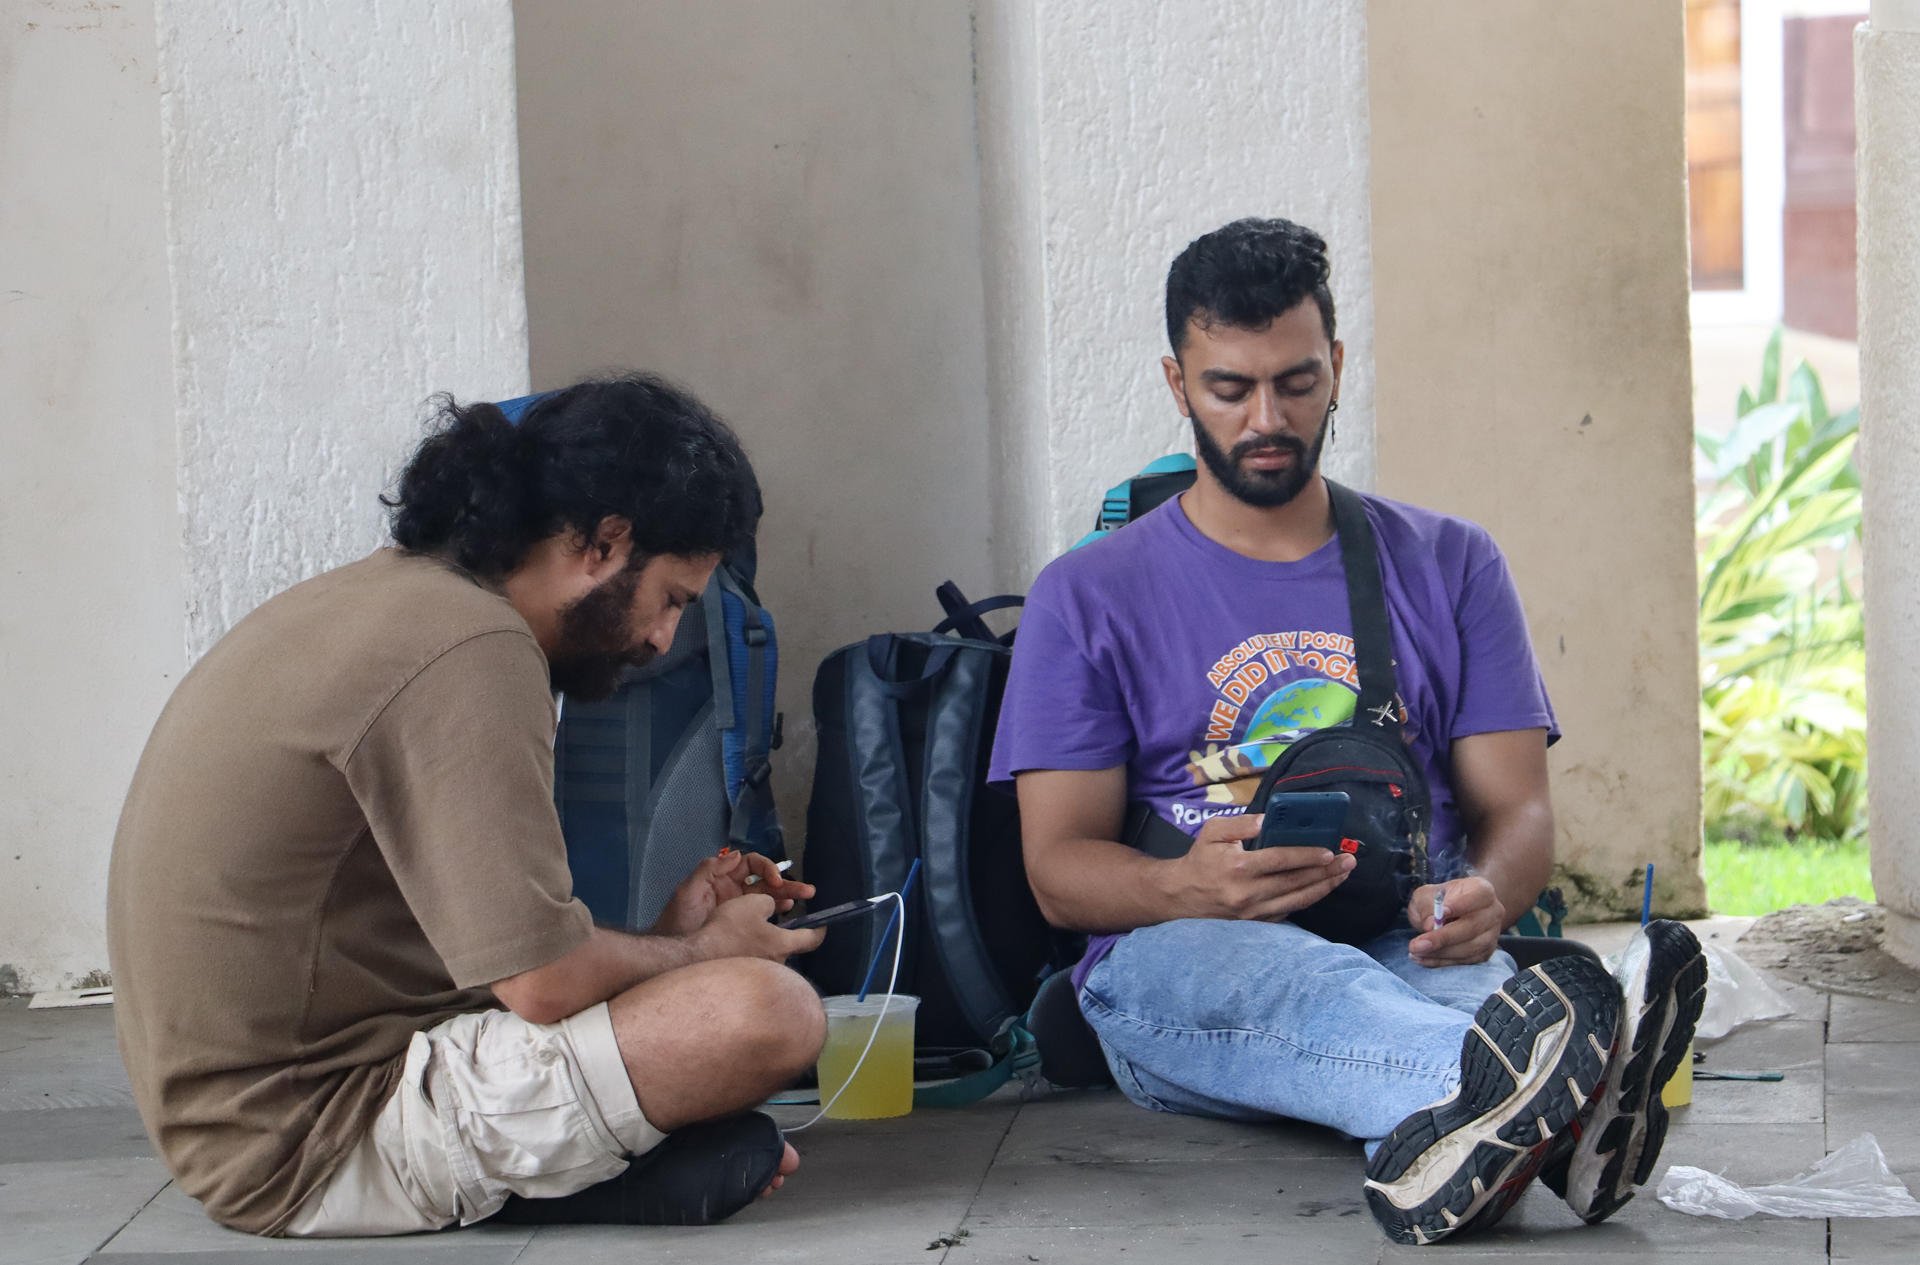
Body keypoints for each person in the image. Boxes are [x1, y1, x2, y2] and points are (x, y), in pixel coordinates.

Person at [988, 219, 1707, 1245]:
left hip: (1403, 923)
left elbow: (1518, 808)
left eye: (1295, 381)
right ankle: (1570, 1101)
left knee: (1456, 985)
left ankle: (1516, 1129)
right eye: (1230, 387)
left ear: (1336, 366)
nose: (1267, 416)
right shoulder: (1087, 596)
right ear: (1177, 382)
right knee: (1314, 982)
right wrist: (1185, 885)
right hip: (1176, 963)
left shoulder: (1452, 563)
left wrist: (1487, 895)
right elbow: (1057, 869)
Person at [108, 374, 828, 1238]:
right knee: (768, 1013)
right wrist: (705, 951)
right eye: (672, 597)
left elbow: (497, 953)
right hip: (315, 1141)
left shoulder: (396, 600)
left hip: (249, 1121)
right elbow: (542, 982)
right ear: (605, 541)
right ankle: (562, 1176)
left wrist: (674, 940)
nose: (663, 638)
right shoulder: (475, 647)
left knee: (711, 1013)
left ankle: (591, 1161)